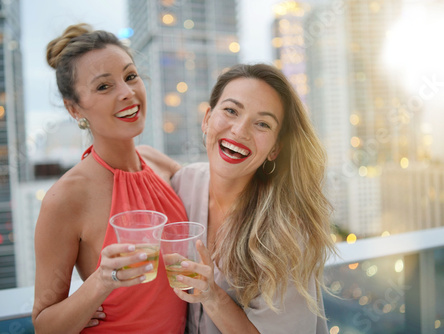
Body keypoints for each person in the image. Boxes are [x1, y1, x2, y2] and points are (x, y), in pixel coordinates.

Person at [140, 63, 336, 333]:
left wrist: (211, 295)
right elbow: (142, 156)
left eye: (262, 124)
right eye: (231, 111)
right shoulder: (184, 183)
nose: (240, 130)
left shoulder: (286, 233)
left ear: (275, 149)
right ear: (207, 119)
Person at [31, 23, 188, 334]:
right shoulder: (65, 198)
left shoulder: (159, 162)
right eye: (104, 87)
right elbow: (44, 326)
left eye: (130, 76)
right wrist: (102, 281)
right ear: (74, 109)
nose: (128, 93)